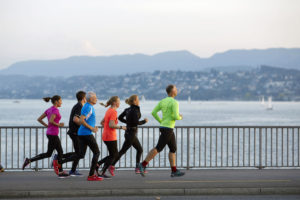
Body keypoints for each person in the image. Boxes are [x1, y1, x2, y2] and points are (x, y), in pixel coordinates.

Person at [138, 85, 185, 177]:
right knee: (158, 148)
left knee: (173, 149)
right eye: (176, 89)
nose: (177, 90)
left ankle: (174, 171)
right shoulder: (175, 102)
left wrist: (161, 121)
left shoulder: (163, 101)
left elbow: (153, 113)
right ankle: (142, 164)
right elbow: (176, 116)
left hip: (165, 127)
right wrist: (180, 117)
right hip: (168, 128)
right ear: (172, 92)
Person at [22, 95, 69, 178]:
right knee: (59, 152)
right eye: (60, 100)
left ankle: (29, 160)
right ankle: (60, 171)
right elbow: (51, 121)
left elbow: (39, 119)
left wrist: (47, 126)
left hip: (50, 133)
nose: (61, 102)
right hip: (53, 134)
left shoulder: (49, 109)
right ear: (56, 101)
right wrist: (59, 124)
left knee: (50, 153)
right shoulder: (55, 110)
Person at [111, 95, 148, 174]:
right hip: (131, 134)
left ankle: (112, 165)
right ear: (134, 101)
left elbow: (120, 117)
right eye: (138, 99)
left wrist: (127, 123)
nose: (139, 101)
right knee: (127, 150)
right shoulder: (135, 110)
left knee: (134, 150)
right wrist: (144, 121)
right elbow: (136, 122)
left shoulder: (127, 109)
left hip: (129, 133)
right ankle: (111, 165)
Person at [96, 96, 126, 179]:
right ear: (114, 103)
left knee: (113, 155)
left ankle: (98, 165)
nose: (119, 103)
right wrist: (121, 127)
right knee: (114, 155)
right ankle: (101, 170)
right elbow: (111, 125)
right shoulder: (113, 112)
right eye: (118, 101)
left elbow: (102, 122)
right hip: (110, 136)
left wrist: (107, 128)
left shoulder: (108, 110)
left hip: (106, 135)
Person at [77, 91, 103, 181]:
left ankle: (60, 161)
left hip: (83, 133)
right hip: (86, 133)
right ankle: (91, 175)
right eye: (95, 97)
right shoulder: (88, 107)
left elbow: (87, 120)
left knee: (81, 154)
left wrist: (93, 127)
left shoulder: (89, 106)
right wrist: (91, 128)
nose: (97, 99)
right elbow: (81, 120)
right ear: (91, 99)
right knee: (97, 152)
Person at [64, 91, 87, 176]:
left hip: (75, 132)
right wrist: (85, 125)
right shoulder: (79, 106)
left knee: (78, 153)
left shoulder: (79, 106)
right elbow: (75, 119)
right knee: (79, 153)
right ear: (83, 98)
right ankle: (59, 159)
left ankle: (72, 170)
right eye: (86, 97)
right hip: (74, 132)